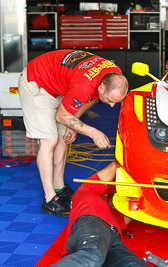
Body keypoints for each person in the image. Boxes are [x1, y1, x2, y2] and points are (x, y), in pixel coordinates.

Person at [18, 50, 128, 218]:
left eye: (117, 102)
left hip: (60, 84)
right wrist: (92, 132)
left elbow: (93, 97)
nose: (112, 106)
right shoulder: (83, 85)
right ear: (102, 87)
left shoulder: (112, 75)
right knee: (49, 141)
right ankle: (50, 201)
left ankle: (59, 188)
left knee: (64, 138)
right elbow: (61, 115)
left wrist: (74, 122)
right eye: (111, 100)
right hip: (38, 83)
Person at [51, 162, 148, 267]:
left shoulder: (114, 214)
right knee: (93, 255)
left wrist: (139, 193)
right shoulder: (86, 191)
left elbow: (133, 210)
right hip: (92, 223)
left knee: (134, 264)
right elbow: (116, 166)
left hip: (113, 238)